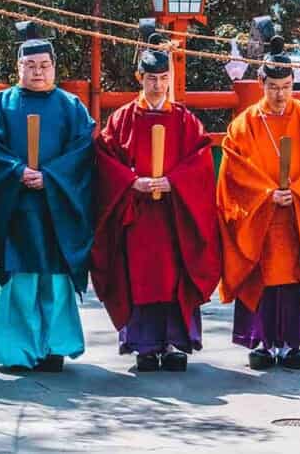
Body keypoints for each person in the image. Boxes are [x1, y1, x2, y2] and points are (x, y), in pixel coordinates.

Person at [0, 22, 94, 372]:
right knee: (19, 281)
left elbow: (82, 152)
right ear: (18, 67)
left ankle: (55, 347)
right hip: (16, 206)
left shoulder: (71, 107)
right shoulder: (0, 106)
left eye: (44, 66)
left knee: (55, 280)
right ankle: (15, 351)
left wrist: (51, 177)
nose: (38, 72)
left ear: (54, 68)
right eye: (30, 66)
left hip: (57, 207)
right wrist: (16, 172)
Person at [92, 35, 220, 372]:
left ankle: (177, 344)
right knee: (139, 277)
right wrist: (132, 181)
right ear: (139, 79)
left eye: (164, 79)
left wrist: (175, 181)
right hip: (137, 216)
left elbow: (201, 161)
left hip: (174, 216)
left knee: (175, 274)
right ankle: (144, 346)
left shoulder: (184, 119)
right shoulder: (121, 120)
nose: (158, 85)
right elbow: (106, 160)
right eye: (151, 79)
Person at [217, 38, 300, 370]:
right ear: (261, 85)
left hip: (298, 216)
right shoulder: (244, 125)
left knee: (295, 278)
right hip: (260, 218)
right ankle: (261, 342)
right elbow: (235, 172)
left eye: (286, 87)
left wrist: (299, 191)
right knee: (261, 274)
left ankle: (293, 343)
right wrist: (266, 194)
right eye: (273, 87)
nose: (280, 95)